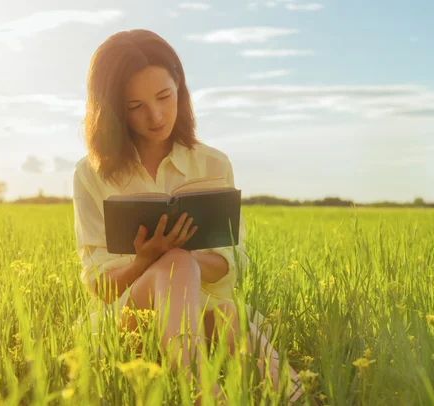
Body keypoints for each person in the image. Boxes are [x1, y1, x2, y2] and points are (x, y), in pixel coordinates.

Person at [72, 29, 303, 404]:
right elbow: (100, 286)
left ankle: (299, 397)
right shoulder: (91, 174)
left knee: (230, 318)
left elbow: (232, 262)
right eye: (136, 106)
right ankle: (201, 391)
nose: (156, 115)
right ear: (113, 108)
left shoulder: (213, 163)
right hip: (130, 319)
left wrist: (189, 256)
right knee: (173, 262)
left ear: (180, 88)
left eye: (165, 96)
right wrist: (147, 260)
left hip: (204, 310)